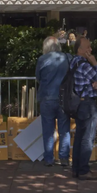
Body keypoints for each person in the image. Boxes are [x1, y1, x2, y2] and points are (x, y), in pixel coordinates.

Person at [70, 36, 97, 180]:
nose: (90, 49)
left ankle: (76, 168)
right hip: (87, 103)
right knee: (87, 138)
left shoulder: (73, 62)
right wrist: (95, 63)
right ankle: (83, 170)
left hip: (78, 103)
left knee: (79, 136)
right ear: (80, 49)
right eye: (88, 47)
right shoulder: (85, 65)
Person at [36, 36, 71, 167]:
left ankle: (49, 158)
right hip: (63, 98)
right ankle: (64, 158)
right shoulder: (67, 57)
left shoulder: (42, 59)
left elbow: (38, 77)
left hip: (47, 98)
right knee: (64, 130)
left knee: (48, 130)